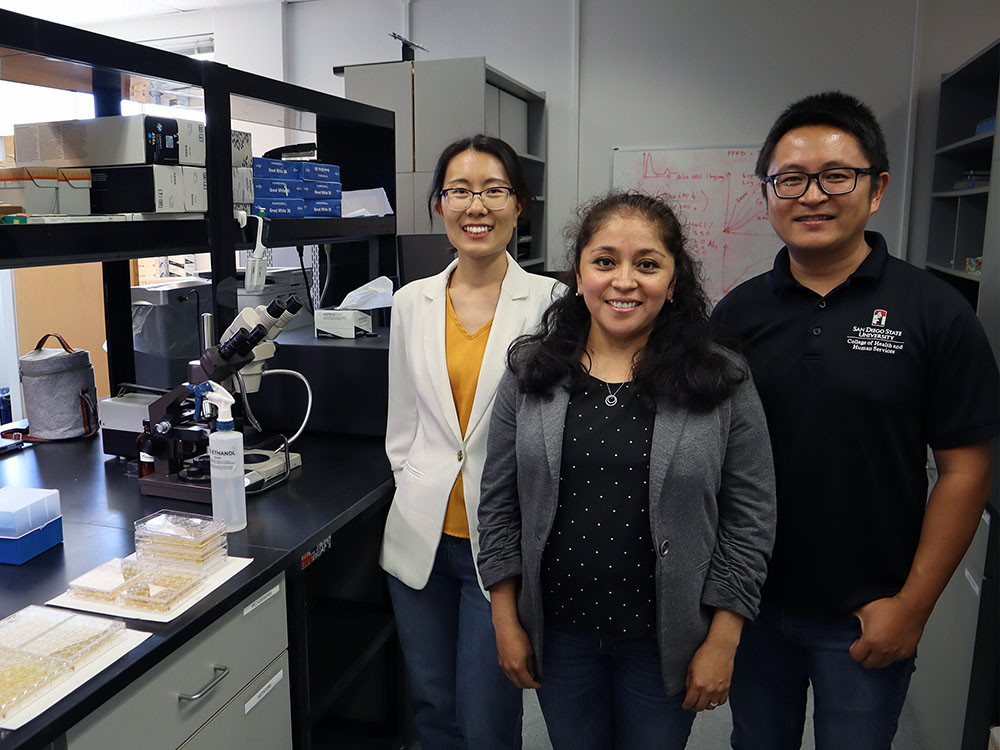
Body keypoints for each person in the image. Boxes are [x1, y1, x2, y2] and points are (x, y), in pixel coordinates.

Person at [712, 91, 1000, 749]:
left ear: (876, 189)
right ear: (767, 193)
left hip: (868, 612)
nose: (812, 195)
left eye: (836, 175)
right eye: (790, 179)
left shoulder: (935, 312)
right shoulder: (734, 316)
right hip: (751, 605)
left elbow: (965, 470)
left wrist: (912, 607)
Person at [477, 191, 777, 750]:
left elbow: (751, 514)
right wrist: (504, 616)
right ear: (579, 272)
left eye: (647, 264)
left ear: (673, 279)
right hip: (561, 633)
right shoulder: (531, 372)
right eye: (605, 260)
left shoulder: (720, 379)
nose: (624, 281)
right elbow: (498, 503)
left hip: (668, 638)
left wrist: (725, 637)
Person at [381, 133, 562, 750]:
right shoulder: (411, 303)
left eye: (493, 190)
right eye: (459, 191)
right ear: (439, 205)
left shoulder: (554, 305)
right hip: (423, 539)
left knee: (488, 716)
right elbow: (402, 423)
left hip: (503, 547)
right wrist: (413, 479)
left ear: (519, 204)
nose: (475, 205)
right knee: (433, 708)